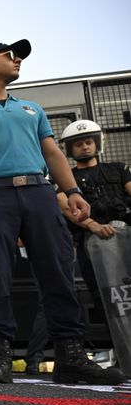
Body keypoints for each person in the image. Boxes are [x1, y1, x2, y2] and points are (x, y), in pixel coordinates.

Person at [0, 39, 124, 385]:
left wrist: (72, 191)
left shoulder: (31, 109)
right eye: (10, 55)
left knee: (57, 271)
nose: (18, 60)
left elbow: (53, 154)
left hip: (39, 192)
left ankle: (70, 356)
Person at [56, 120, 131, 326]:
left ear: (97, 143)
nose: (85, 147)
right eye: (78, 144)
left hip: (126, 239)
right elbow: (63, 202)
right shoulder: (67, 177)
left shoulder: (118, 169)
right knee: (107, 298)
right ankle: (121, 353)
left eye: (89, 142)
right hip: (92, 245)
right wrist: (92, 225)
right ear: (70, 149)